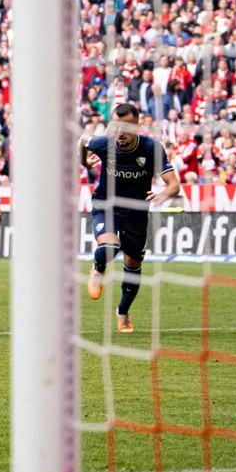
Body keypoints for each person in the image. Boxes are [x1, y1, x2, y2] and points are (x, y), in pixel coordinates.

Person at [83, 102, 181, 334]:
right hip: (105, 205)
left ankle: (123, 312)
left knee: (133, 265)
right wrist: (84, 162)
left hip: (136, 213)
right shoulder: (103, 143)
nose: (120, 132)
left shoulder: (151, 148)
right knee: (109, 245)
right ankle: (98, 268)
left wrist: (162, 194)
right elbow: (82, 143)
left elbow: (174, 185)